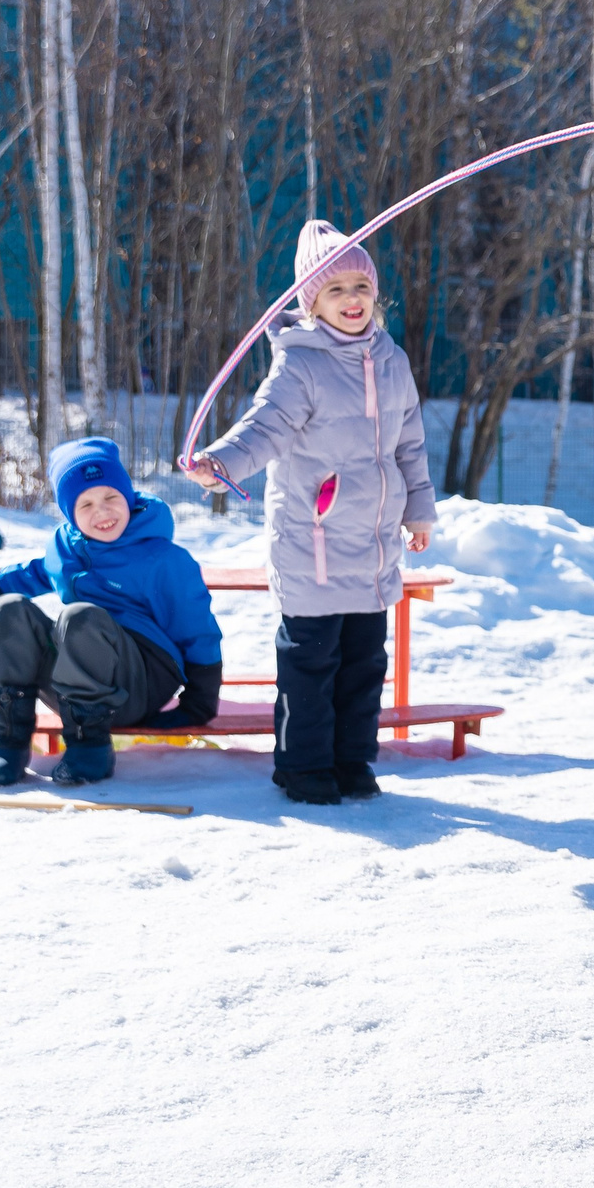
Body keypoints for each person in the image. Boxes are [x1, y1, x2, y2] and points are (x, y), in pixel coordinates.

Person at [187, 220, 434, 807]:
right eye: (336, 290)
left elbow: (411, 446)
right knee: (311, 663)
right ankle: (303, 769)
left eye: (362, 288)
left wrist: (418, 512)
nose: (352, 300)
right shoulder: (300, 365)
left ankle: (352, 762)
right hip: (314, 542)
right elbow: (265, 428)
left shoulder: (392, 360)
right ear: (312, 302)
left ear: (376, 296)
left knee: (363, 664)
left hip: (374, 548)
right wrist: (220, 462)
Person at [0, 437, 224, 787]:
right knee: (9, 609)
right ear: (70, 513)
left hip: (140, 683)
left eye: (111, 497)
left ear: (128, 497)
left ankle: (90, 750)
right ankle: (9, 742)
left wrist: (200, 701)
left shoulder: (163, 559)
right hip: (76, 684)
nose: (101, 512)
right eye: (85, 504)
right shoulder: (67, 546)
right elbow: (44, 569)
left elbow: (197, 629)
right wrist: (0, 586)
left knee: (80, 616)